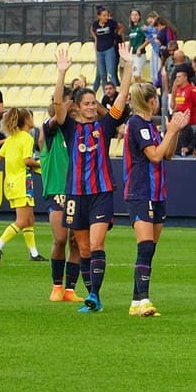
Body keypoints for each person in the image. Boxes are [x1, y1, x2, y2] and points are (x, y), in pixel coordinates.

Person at [51, 43, 134, 313]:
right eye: (85, 103)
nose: (90, 106)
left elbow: (122, 95)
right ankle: (90, 296)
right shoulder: (70, 127)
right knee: (83, 248)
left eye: (92, 103)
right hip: (75, 195)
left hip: (101, 194)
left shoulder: (105, 125)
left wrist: (128, 65)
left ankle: (95, 295)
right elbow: (56, 106)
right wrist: (62, 73)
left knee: (97, 244)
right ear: (76, 106)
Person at [123, 83, 187, 317]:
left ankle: (135, 301)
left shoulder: (150, 125)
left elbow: (168, 154)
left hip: (157, 193)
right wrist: (170, 130)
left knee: (149, 250)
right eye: (156, 98)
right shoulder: (137, 123)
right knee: (145, 246)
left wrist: (176, 131)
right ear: (150, 101)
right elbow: (155, 156)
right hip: (140, 191)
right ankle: (145, 300)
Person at [0, 108, 46, 262]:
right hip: (22, 182)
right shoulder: (26, 138)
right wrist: (42, 164)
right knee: (22, 220)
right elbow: (27, 161)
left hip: (11, 183)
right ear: (25, 120)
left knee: (29, 218)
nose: (33, 119)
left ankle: (34, 253)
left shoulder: (11, 138)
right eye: (31, 117)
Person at [39, 98, 84, 304]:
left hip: (76, 191)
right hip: (57, 191)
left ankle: (70, 289)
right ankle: (56, 285)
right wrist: (63, 107)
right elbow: (56, 119)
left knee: (76, 241)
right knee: (60, 238)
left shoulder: (75, 132)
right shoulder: (49, 132)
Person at [90, 5, 123, 94]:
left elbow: (121, 27)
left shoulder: (111, 23)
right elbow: (94, 35)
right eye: (104, 15)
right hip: (100, 51)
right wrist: (96, 54)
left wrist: (117, 36)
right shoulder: (95, 25)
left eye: (107, 15)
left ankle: (114, 93)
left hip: (109, 49)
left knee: (111, 73)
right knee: (102, 75)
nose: (106, 17)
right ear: (99, 16)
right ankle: (106, 94)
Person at [127, 9, 150, 83]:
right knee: (134, 76)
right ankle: (144, 88)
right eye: (132, 15)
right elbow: (130, 41)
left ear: (139, 16)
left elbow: (148, 39)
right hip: (132, 54)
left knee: (137, 75)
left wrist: (140, 48)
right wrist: (127, 51)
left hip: (139, 55)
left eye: (136, 15)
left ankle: (145, 89)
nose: (134, 16)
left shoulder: (142, 27)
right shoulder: (132, 28)